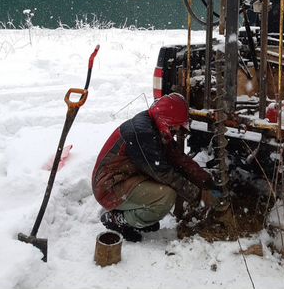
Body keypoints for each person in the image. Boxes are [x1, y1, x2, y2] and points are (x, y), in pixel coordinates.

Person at [92, 93, 220, 241]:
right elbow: (164, 173)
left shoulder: (153, 124)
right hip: (108, 187)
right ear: (166, 120)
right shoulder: (143, 134)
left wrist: (206, 181)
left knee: (169, 183)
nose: (178, 128)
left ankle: (137, 216)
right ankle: (117, 219)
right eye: (176, 124)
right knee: (165, 195)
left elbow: (179, 159)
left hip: (125, 176)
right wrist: (198, 195)